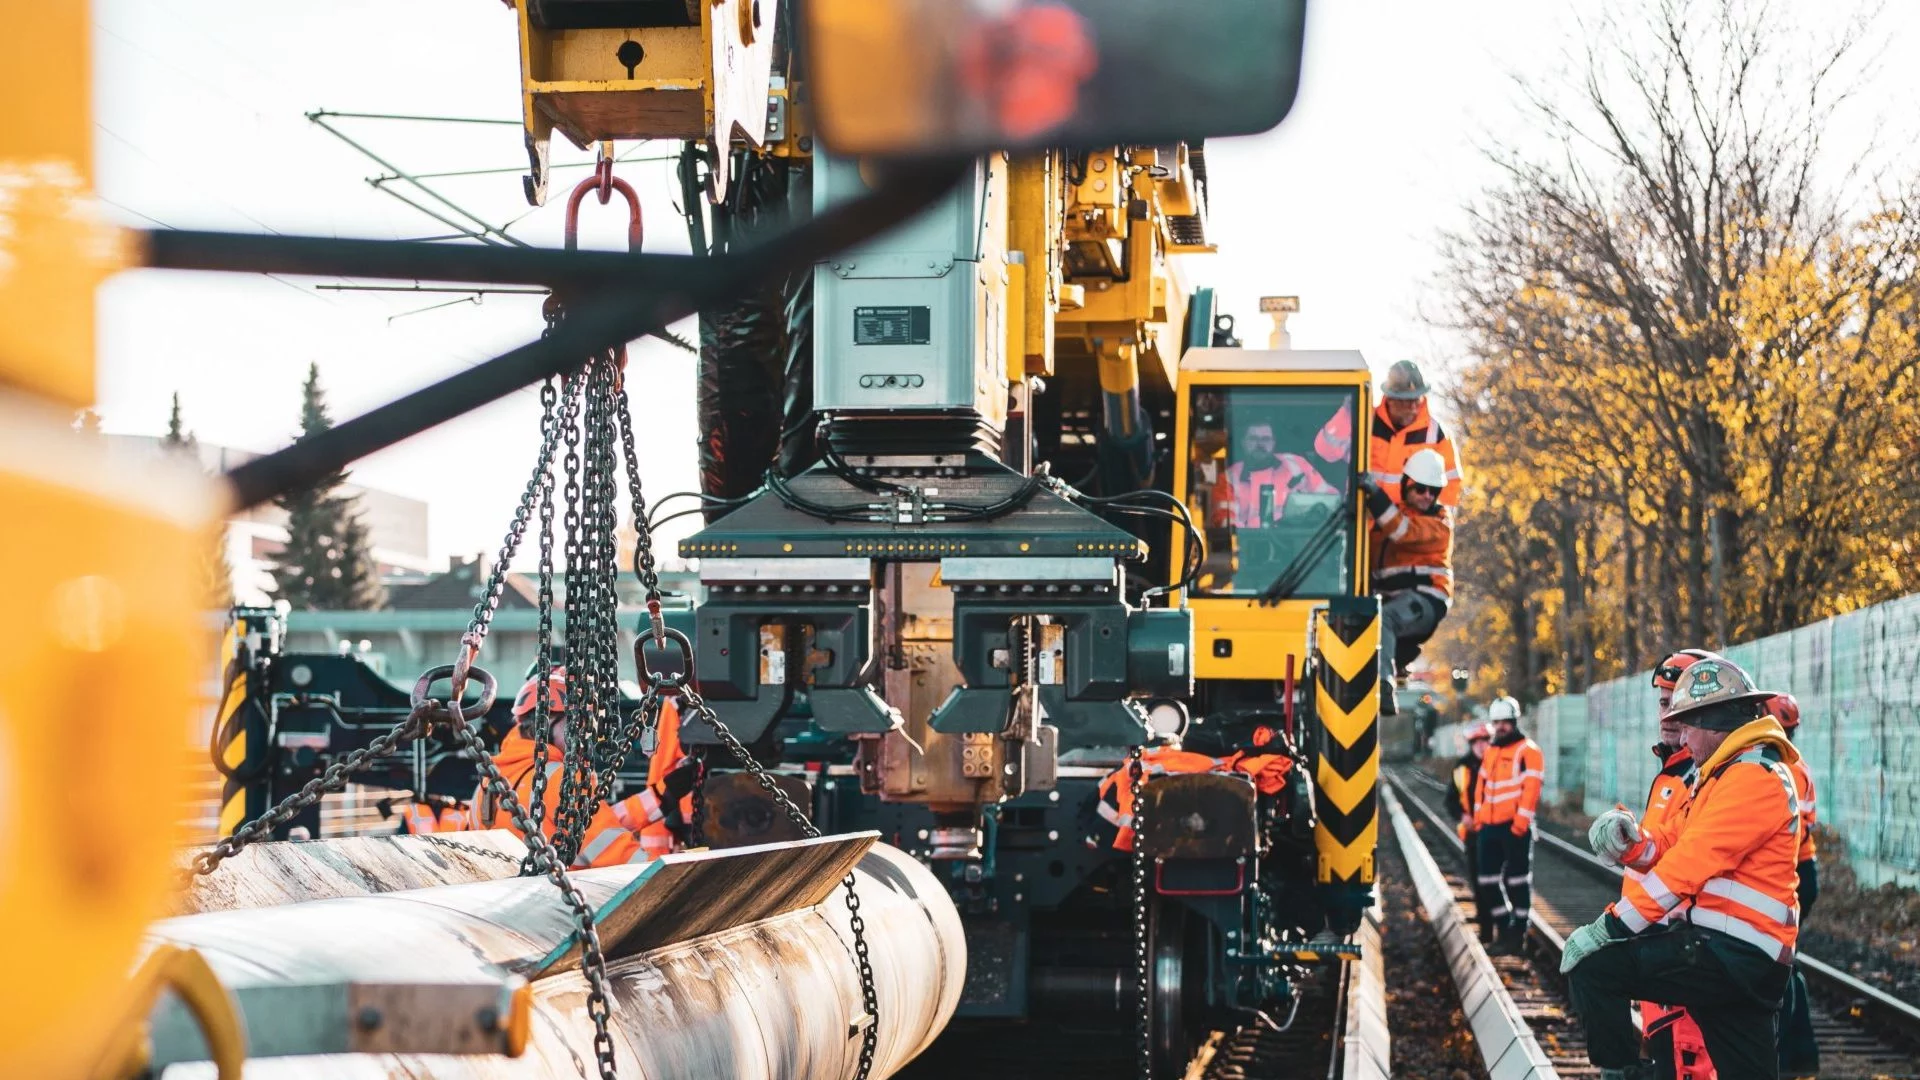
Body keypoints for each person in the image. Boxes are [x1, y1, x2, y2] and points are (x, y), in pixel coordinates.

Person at [1567, 657, 1802, 1080]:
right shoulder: (1724, 775)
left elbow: (1687, 865)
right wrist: (1631, 843)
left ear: (1714, 723)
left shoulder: (1753, 778)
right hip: (1739, 959)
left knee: (1595, 968)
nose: (1682, 738)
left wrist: (1610, 928)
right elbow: (1673, 838)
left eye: (1687, 727)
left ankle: (1623, 1072)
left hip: (1734, 956)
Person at [472, 667, 699, 867]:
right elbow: (614, 850)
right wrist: (671, 880)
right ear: (546, 721)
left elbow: (593, 825)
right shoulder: (560, 779)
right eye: (576, 726)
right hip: (564, 906)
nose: (582, 737)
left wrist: (661, 797)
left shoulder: (486, 787)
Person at [1637, 648, 1724, 1080]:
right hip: (1664, 951)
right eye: (1662, 702)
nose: (1668, 715)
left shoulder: (1708, 776)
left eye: (1679, 703)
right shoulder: (1672, 773)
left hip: (1689, 952)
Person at [1359, 447, 1454, 677]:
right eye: (1421, 489)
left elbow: (1402, 531)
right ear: (1406, 486)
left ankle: (1384, 684)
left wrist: (1375, 494)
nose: (1427, 496)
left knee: (1386, 620)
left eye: (1434, 491)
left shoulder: (1439, 524)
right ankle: (1397, 659)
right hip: (1390, 598)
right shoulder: (1391, 516)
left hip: (1426, 599)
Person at [1764, 692, 1820, 1078]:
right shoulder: (1797, 767)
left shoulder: (1781, 768)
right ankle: (1798, 1057)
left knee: (1777, 965)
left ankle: (1791, 1057)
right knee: (1783, 963)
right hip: (1801, 871)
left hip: (1791, 874)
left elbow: (1789, 835)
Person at [1473, 696, 1543, 949]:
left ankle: (1518, 934)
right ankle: (1504, 927)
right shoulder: (1491, 751)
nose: (1500, 726)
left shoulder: (1528, 751)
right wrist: (1479, 820)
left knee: (1517, 881)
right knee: (1487, 881)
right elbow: (1482, 786)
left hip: (1514, 828)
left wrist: (1520, 825)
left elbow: (1531, 788)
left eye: (1505, 722)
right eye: (1496, 722)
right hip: (1489, 828)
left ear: (1514, 722)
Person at [1369, 360, 1465, 508]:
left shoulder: (1437, 434)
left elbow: (1451, 487)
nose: (1413, 407)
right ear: (1391, 399)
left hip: (1410, 527)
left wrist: (1428, 523)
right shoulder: (1366, 421)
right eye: (1407, 401)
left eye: (1417, 399)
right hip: (1361, 524)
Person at [1210, 419, 1338, 529]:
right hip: (1248, 552)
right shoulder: (1229, 478)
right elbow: (1226, 522)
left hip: (1299, 550)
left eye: (1266, 439)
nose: (1260, 444)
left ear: (1274, 443)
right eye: (1253, 439)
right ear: (1243, 442)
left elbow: (1330, 500)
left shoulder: (1297, 466)